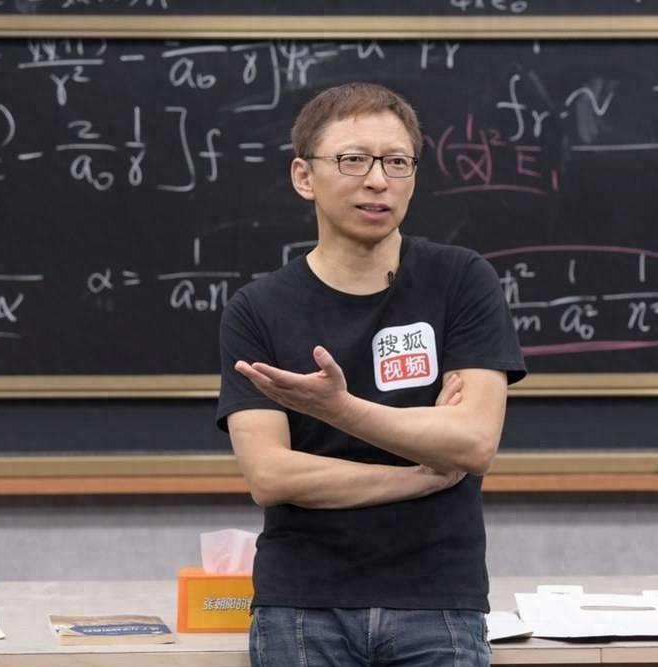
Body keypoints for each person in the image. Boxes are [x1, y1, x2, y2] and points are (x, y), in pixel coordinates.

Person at [217, 82, 527, 666]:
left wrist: (338, 409)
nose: (378, 180)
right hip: (302, 604)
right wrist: (423, 474)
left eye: (397, 162)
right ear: (304, 176)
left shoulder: (461, 281)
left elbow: (472, 443)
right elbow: (272, 475)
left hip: (438, 601)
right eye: (353, 160)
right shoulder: (259, 309)